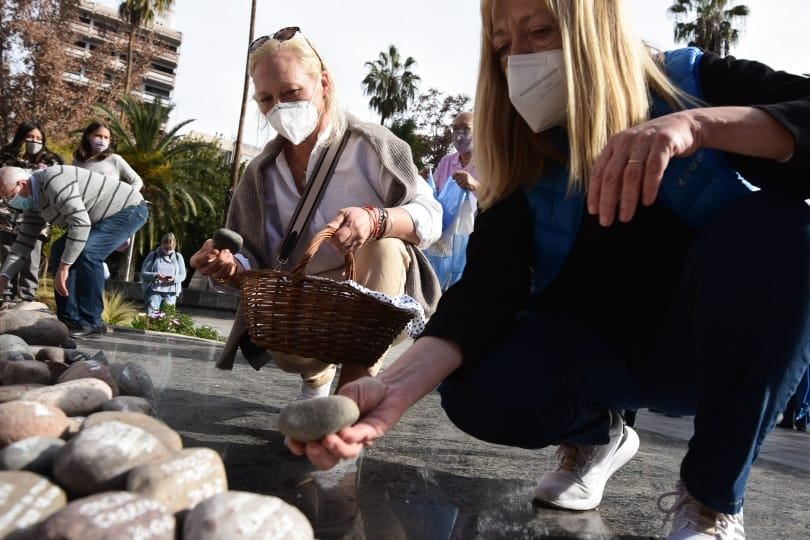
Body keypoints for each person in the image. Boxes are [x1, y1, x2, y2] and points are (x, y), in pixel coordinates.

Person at [291, 2, 810, 539]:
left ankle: (710, 500)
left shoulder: (690, 83)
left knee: (784, 228)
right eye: (502, 45)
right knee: (478, 385)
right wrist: (393, 388)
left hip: (705, 353)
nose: (519, 58)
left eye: (539, 31)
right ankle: (596, 436)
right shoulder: (522, 153)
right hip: (593, 357)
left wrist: (699, 126)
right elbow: (489, 287)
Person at [190, 27, 441, 401]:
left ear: (323, 83)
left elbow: (430, 216)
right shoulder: (259, 174)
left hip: (377, 291)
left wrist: (376, 220)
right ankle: (316, 376)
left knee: (384, 246)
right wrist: (227, 267)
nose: (280, 107)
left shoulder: (371, 146)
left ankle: (352, 393)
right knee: (287, 346)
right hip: (306, 305)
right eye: (266, 99)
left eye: (291, 92)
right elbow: (254, 260)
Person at [0, 165, 149, 337]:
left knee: (88, 252)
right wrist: (4, 276)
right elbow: (23, 243)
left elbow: (80, 223)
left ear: (22, 184)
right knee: (59, 249)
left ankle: (92, 322)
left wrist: (65, 267)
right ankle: (69, 320)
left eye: (10, 196)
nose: (9, 202)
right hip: (96, 218)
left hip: (129, 208)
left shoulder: (54, 181)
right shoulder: (34, 204)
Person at [0, 121, 63, 305]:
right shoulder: (6, 156)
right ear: (21, 137)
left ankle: (27, 298)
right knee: (7, 257)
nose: (34, 141)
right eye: (30, 137)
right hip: (6, 217)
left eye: (38, 138)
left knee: (31, 259)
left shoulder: (51, 162)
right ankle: (6, 297)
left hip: (37, 219)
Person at [72, 121, 143, 190]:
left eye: (106, 137)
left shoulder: (115, 159)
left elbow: (137, 182)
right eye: (98, 136)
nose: (102, 140)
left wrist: (124, 196)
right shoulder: (77, 161)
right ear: (88, 136)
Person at [432, 111, 480, 194]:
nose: (459, 136)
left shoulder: (489, 163)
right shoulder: (446, 162)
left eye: (466, 128)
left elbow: (498, 197)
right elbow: (432, 193)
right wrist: (423, 182)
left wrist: (476, 186)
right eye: (455, 129)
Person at [140, 232, 186, 315]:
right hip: (154, 291)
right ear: (162, 245)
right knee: (151, 316)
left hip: (171, 293)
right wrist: (156, 276)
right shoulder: (153, 255)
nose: (167, 251)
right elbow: (143, 273)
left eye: (170, 249)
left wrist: (174, 278)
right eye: (166, 248)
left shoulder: (178, 257)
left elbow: (183, 275)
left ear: (174, 247)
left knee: (167, 317)